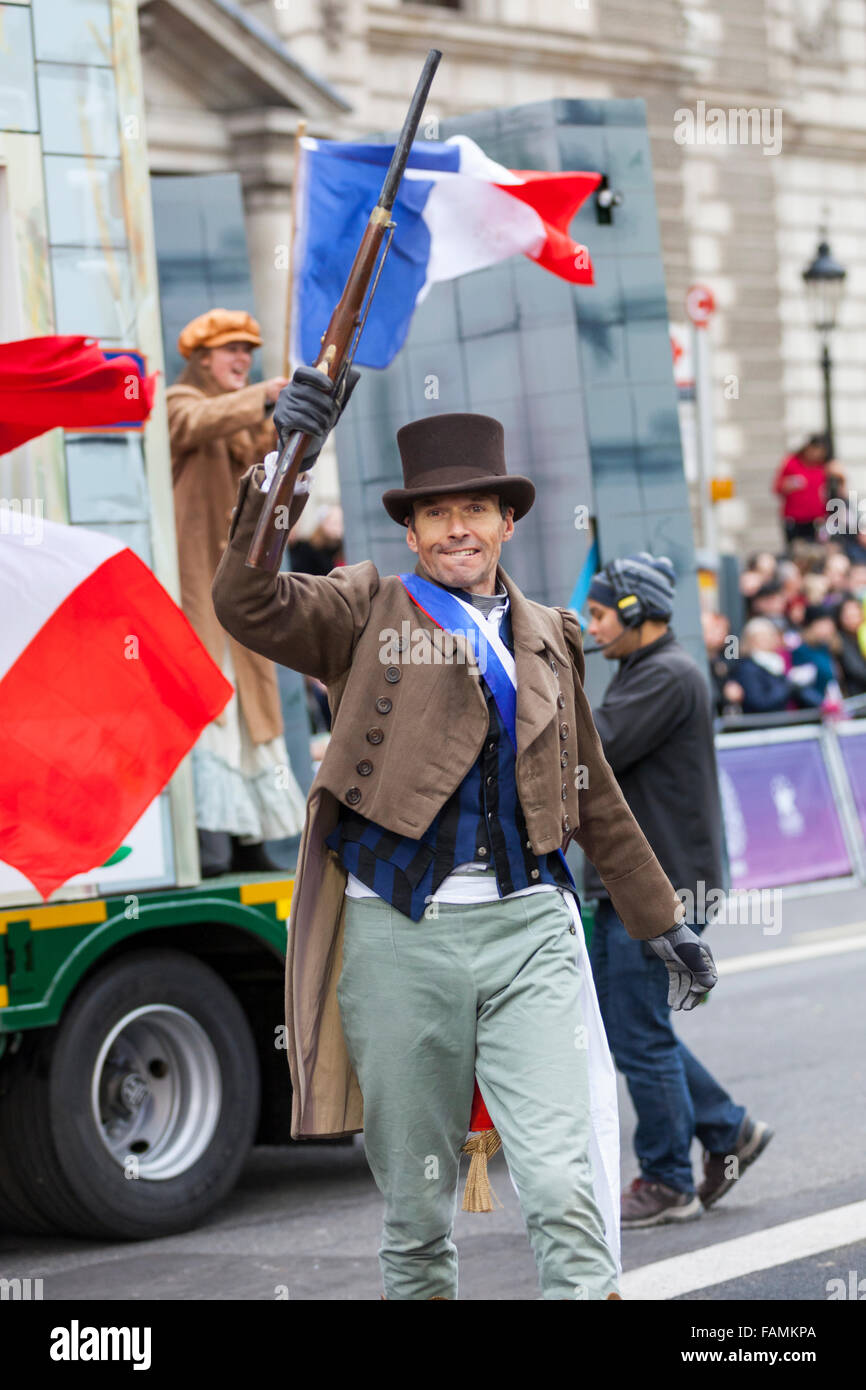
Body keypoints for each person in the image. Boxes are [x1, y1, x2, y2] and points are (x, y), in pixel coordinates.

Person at [211, 373, 718, 1300]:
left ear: (505, 522)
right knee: (416, 1212)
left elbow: (593, 793)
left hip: (529, 929)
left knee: (568, 1186)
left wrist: (660, 920)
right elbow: (245, 603)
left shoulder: (552, 635)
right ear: (411, 531)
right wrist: (281, 464)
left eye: (475, 508)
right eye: (437, 512)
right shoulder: (362, 611)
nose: (457, 528)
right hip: (397, 939)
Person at [584, 556, 772, 1226]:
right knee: (631, 1030)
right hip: (637, 885)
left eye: (600, 614)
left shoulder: (665, 675)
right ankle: (726, 1129)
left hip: (657, 890)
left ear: (637, 613)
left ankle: (667, 1181)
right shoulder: (647, 672)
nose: (591, 625)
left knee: (640, 1035)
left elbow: (593, 748)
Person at [167, 308, 307, 875]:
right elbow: (194, 423)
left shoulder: (244, 416)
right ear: (201, 358)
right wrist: (267, 396)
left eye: (249, 353)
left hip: (235, 596)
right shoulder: (176, 402)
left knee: (250, 721)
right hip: (194, 594)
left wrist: (298, 420)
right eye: (232, 351)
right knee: (209, 713)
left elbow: (274, 473)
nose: (242, 362)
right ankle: (210, 846)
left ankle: (248, 841)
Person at [772, 434, 844, 547]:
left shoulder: (824, 466)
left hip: (817, 520)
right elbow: (777, 487)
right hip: (794, 520)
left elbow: (839, 492)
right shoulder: (792, 462)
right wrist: (788, 485)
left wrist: (840, 476)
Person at [836, 597, 866, 697]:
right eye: (847, 616)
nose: (851, 619)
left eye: (855, 615)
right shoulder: (840, 640)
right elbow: (856, 669)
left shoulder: (862, 634)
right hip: (856, 696)